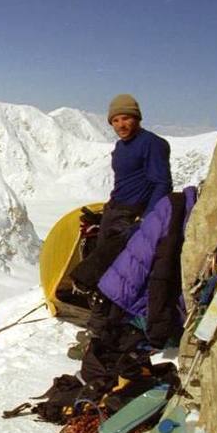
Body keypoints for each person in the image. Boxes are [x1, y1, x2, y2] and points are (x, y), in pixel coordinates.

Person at [70, 94, 172, 341]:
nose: (120, 125)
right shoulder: (121, 147)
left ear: (136, 118)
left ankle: (102, 330)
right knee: (104, 267)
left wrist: (147, 219)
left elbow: (162, 182)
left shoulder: (153, 144)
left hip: (131, 215)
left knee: (114, 272)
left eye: (125, 118)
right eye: (115, 120)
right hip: (114, 211)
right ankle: (98, 325)